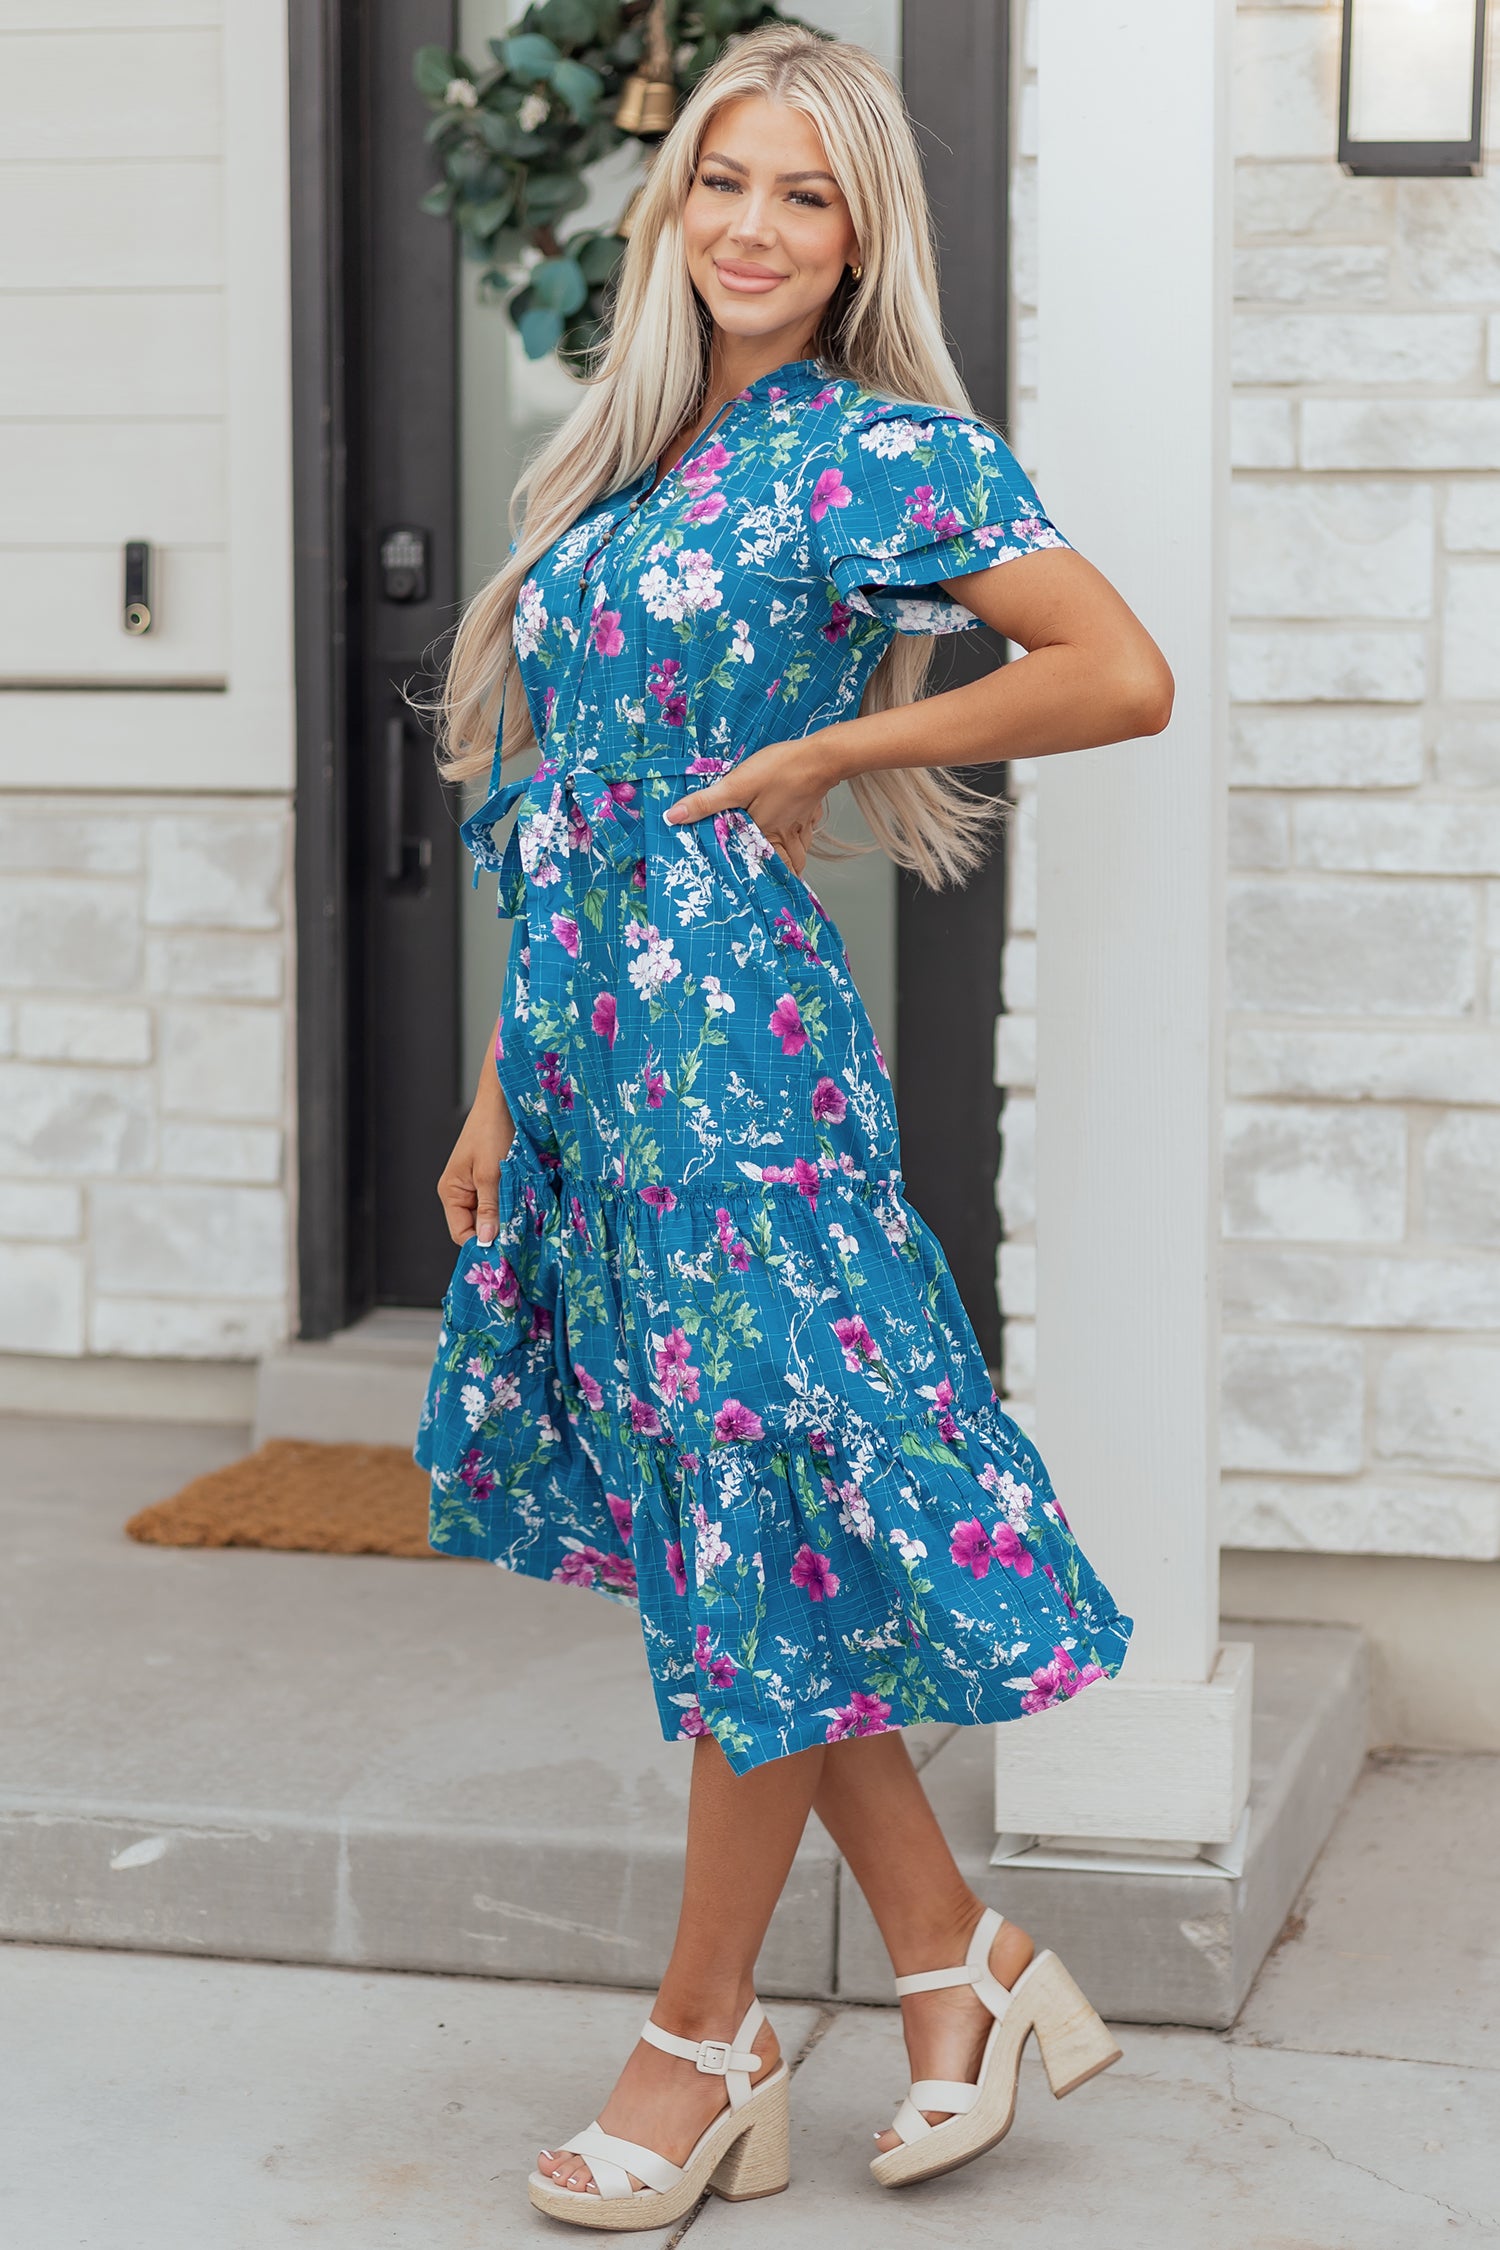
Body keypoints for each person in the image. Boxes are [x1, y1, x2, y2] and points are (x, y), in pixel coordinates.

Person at [415, 22, 1172, 2231]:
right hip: (594, 1069)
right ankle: (959, 1963)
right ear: (676, 206)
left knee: (759, 1522)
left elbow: (1116, 671)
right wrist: (502, 1085)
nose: (754, 226)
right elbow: (568, 804)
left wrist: (842, 754)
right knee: (755, 1529)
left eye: (804, 197)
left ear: (858, 242)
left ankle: (703, 2037)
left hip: (739, 1070)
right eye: (725, 182)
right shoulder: (623, 461)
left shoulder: (876, 455)